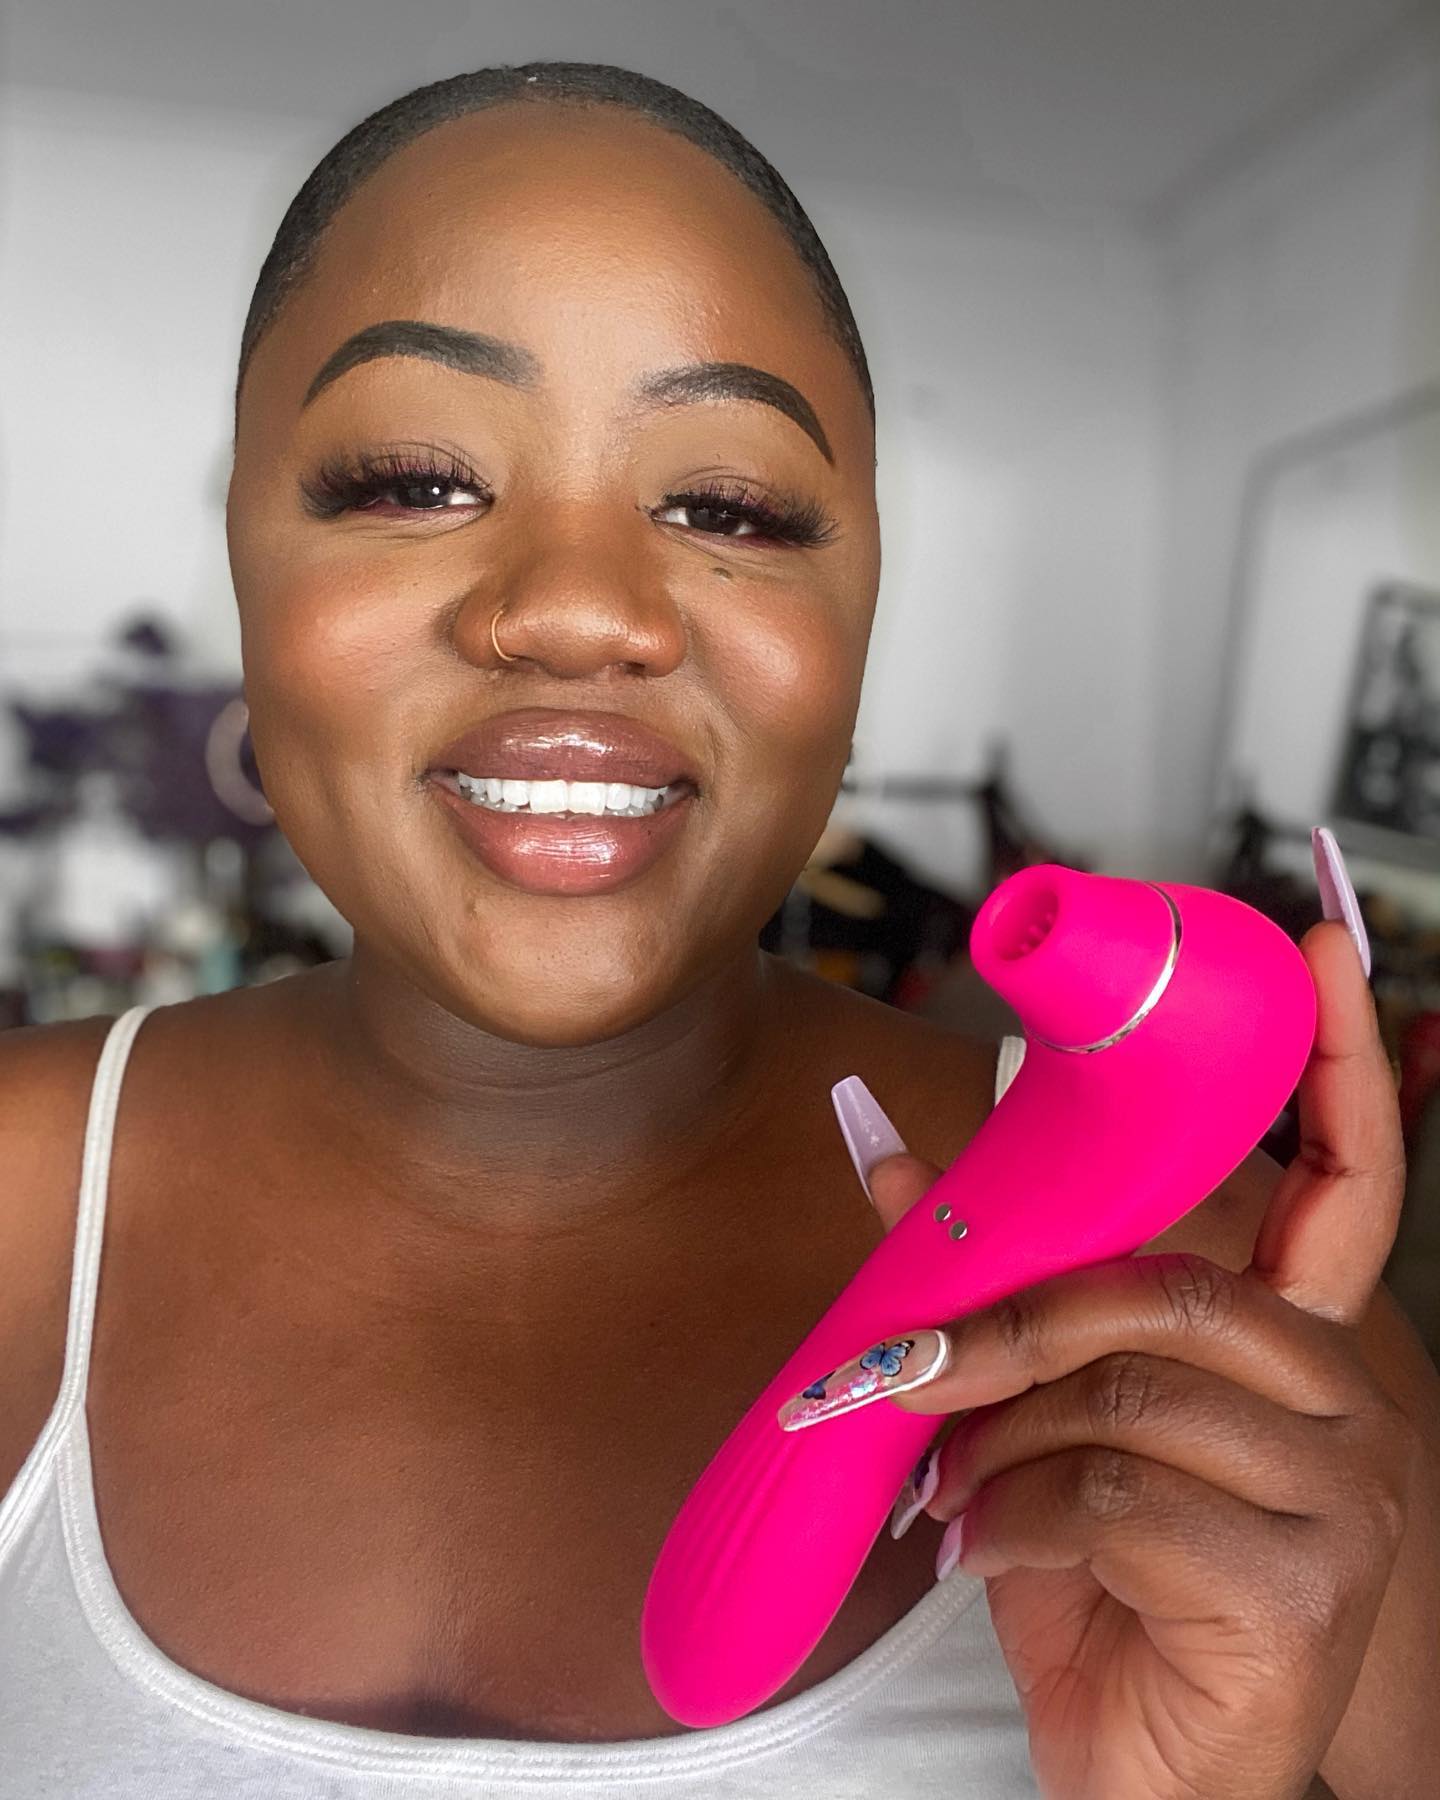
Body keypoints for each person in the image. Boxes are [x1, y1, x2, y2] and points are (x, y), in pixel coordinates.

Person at [0, 62, 1436, 1800]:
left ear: (862, 608)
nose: (584, 610)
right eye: (415, 478)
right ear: (245, 546)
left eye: (730, 508)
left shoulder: (1233, 1331)